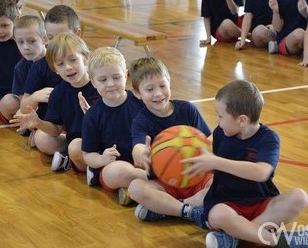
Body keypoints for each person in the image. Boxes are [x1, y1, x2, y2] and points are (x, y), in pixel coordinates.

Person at [182, 80, 308, 248]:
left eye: (220, 116)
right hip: (226, 203)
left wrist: (216, 162)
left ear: (242, 120)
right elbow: (214, 165)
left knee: (299, 197)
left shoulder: (269, 138)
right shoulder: (220, 133)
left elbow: (261, 172)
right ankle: (279, 241)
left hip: (260, 201)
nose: (217, 121)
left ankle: (236, 237)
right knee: (218, 215)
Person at [127, 57, 213, 225]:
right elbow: (138, 146)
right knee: (135, 188)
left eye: (162, 86)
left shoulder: (188, 109)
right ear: (137, 93)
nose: (158, 93)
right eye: (150, 89)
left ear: (169, 83)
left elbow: (208, 140)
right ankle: (190, 211)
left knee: (222, 183)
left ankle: (171, 209)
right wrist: (141, 154)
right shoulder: (141, 121)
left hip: (197, 177)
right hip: (165, 183)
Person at [15, 33, 98, 173]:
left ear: (86, 59)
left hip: (102, 140)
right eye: (61, 64)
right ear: (55, 70)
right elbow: (56, 129)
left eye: (73, 60)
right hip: (76, 142)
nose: (68, 67)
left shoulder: (99, 86)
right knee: (43, 138)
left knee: (77, 148)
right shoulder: (58, 93)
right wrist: (38, 123)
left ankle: (74, 160)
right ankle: (74, 159)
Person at [82, 47, 146, 205]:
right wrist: (102, 159)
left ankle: (136, 190)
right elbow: (88, 155)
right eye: (103, 80)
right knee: (117, 172)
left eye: (116, 77)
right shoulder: (92, 116)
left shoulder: (141, 102)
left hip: (144, 161)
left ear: (125, 75)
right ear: (93, 81)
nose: (110, 84)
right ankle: (158, 183)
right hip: (115, 165)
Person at [20, 5, 82, 148]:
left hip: (87, 127)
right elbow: (24, 106)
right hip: (56, 126)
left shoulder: (89, 62)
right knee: (43, 139)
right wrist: (36, 96)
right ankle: (70, 155)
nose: (57, 43)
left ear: (77, 33)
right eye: (51, 38)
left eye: (63, 36)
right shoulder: (40, 66)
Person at [0, 15, 47, 124]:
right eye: (20, 42)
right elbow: (23, 102)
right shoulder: (20, 68)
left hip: (55, 108)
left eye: (31, 41)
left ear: (45, 39)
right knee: (8, 101)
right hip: (34, 108)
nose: (26, 47)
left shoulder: (55, 61)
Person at [0, 0, 22, 120]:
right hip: (5, 101)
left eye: (4, 25)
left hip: (31, 98)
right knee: (10, 102)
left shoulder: (27, 42)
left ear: (16, 19)